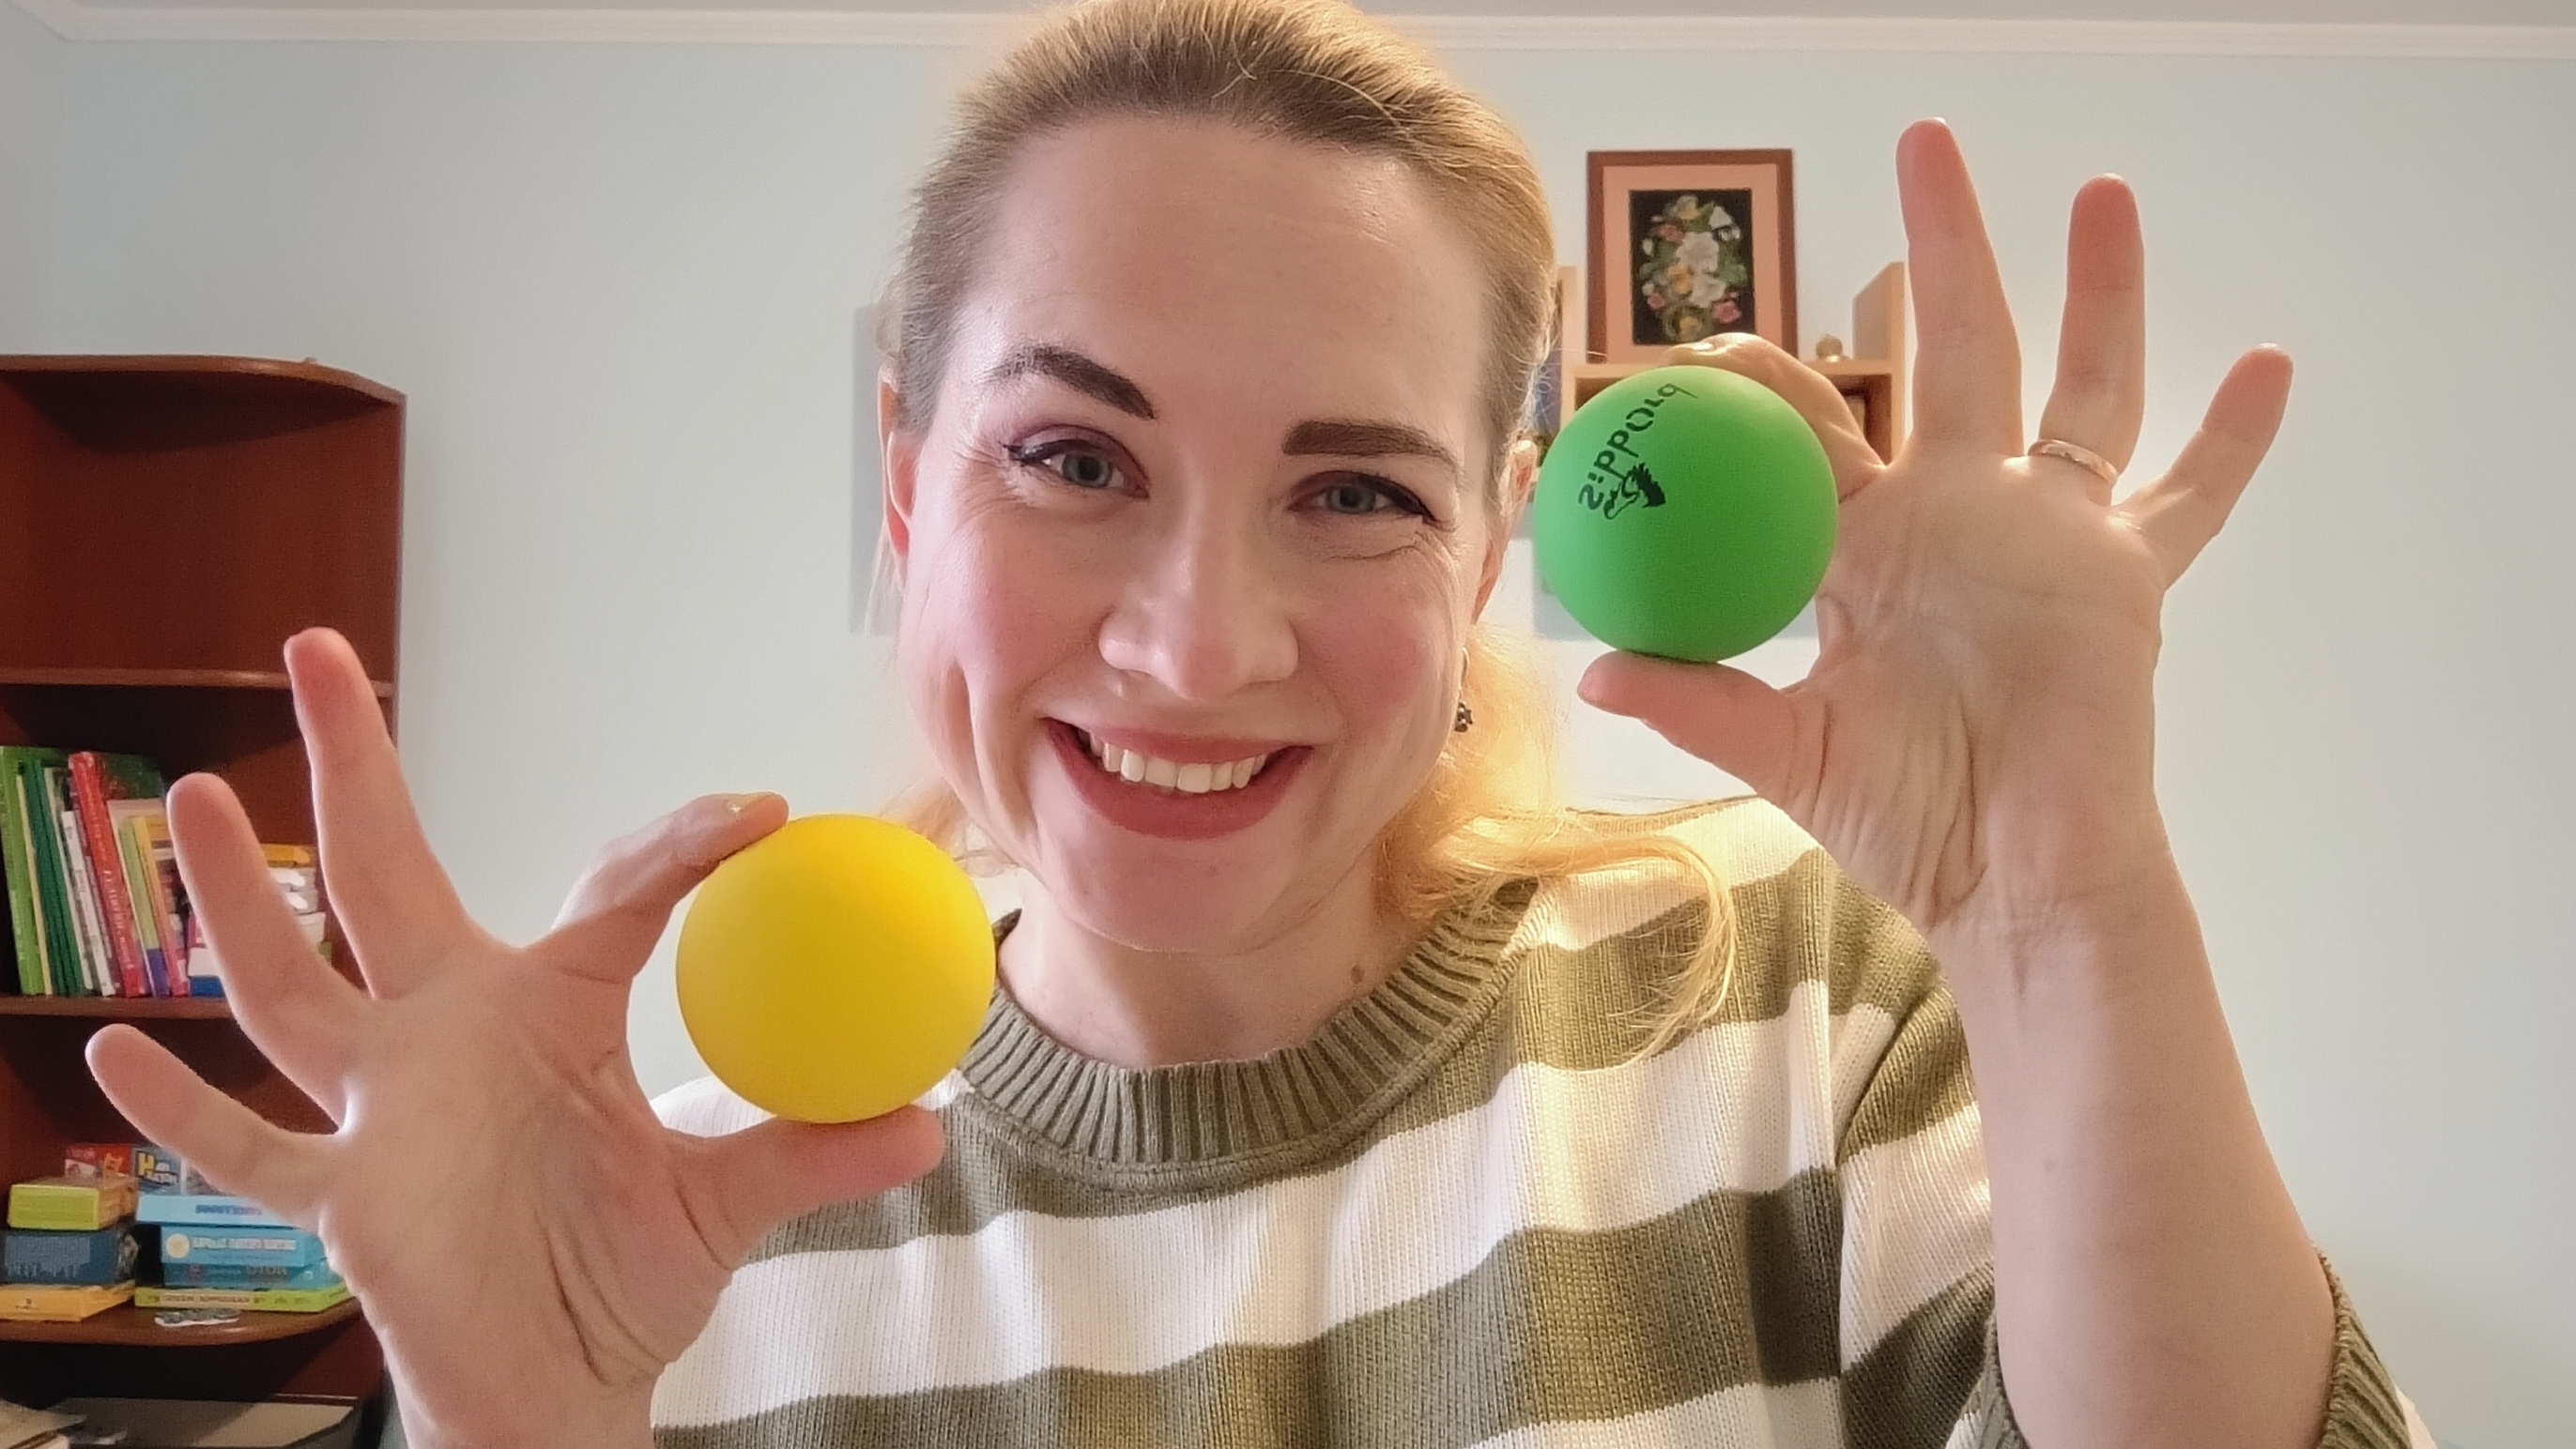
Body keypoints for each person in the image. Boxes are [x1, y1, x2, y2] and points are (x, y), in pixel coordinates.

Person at [84, 1, 2432, 1445]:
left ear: (1486, 544)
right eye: (1072, 455)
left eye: (1355, 490)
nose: (1197, 648)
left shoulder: (1795, 1011)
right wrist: (512, 1427)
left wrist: (2067, 909)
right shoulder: (677, 1211)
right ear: (904, 487)